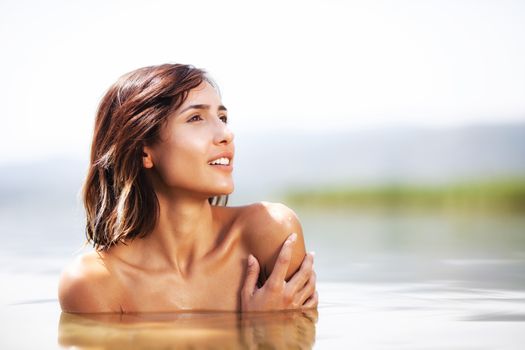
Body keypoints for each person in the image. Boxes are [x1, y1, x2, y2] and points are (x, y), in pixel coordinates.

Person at [58, 64, 318, 313]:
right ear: (143, 150)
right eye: (196, 118)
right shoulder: (95, 283)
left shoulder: (270, 231)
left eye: (222, 117)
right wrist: (258, 330)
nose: (226, 133)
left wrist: (273, 330)